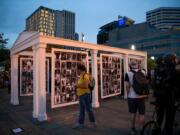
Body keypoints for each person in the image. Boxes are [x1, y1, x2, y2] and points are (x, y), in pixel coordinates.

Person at [154, 54, 179, 135]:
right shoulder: (174, 71)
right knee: (169, 119)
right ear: (172, 60)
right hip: (169, 98)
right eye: (175, 59)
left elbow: (155, 83)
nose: (176, 61)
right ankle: (167, 132)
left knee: (159, 118)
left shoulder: (158, 69)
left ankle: (156, 132)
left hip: (159, 97)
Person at [125, 61, 148, 134]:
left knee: (133, 114)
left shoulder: (127, 74)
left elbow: (127, 86)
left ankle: (132, 129)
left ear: (130, 66)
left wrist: (128, 95)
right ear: (137, 65)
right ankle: (142, 129)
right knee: (142, 114)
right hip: (141, 96)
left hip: (132, 97)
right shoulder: (143, 72)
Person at [72, 64, 96, 129]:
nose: (77, 71)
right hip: (82, 95)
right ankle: (80, 123)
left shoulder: (85, 76)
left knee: (88, 109)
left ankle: (92, 123)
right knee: (82, 110)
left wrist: (77, 86)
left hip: (85, 95)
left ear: (80, 69)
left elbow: (85, 86)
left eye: (78, 69)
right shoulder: (82, 76)